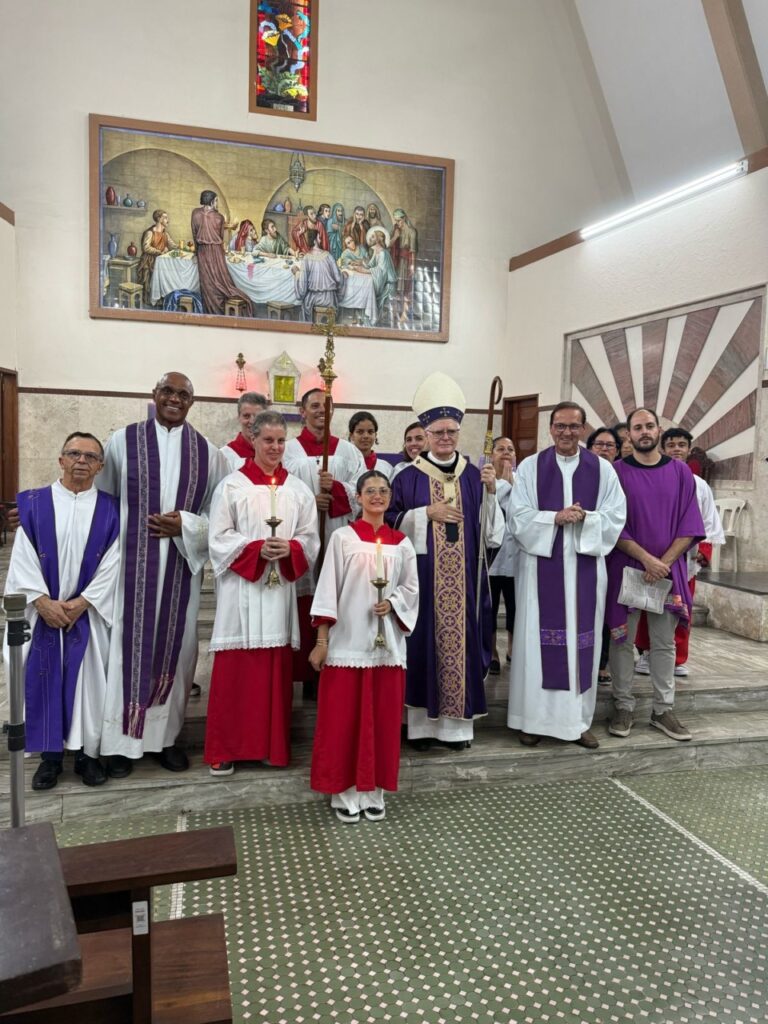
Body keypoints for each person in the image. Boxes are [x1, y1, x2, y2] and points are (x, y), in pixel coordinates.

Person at [96, 372, 230, 776]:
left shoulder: (208, 453)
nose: (174, 399)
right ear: (154, 395)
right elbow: (103, 502)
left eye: (183, 394)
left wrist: (186, 526)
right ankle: (119, 745)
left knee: (179, 650)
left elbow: (219, 516)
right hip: (127, 571)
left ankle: (165, 740)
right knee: (124, 651)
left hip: (179, 570)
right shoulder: (122, 442)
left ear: (193, 402)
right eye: (167, 392)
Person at [387, 372, 503, 750]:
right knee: (422, 648)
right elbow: (389, 525)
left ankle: (456, 730)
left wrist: (490, 492)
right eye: (437, 432)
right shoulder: (406, 477)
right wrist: (425, 514)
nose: (445, 438)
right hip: (422, 582)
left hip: (463, 583)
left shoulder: (474, 476)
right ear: (425, 434)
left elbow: (492, 533)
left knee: (460, 648)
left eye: (451, 431)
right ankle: (420, 728)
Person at [204, 412, 319, 775]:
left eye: (281, 441)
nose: (275, 447)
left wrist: (291, 550)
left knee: (274, 673)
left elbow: (310, 538)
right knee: (234, 673)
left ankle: (273, 747)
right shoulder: (232, 486)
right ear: (252, 440)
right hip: (240, 593)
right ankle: (225, 748)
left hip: (277, 593)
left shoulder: (298, 490)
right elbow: (217, 537)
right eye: (268, 440)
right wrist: (254, 549)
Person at [4, 433, 120, 790]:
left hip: (88, 613)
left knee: (89, 685)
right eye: (73, 453)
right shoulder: (34, 503)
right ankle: (49, 759)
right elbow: (22, 555)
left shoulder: (112, 508)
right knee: (42, 678)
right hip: (43, 614)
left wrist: (84, 602)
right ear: (61, 460)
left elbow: (116, 561)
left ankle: (86, 756)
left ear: (101, 466)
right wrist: (41, 601)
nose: (81, 460)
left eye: (90, 456)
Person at [507, 405, 626, 749]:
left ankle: (576, 722)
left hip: (584, 567)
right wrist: (554, 518)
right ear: (550, 427)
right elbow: (518, 517)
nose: (567, 433)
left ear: (583, 428)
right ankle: (532, 721)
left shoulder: (602, 470)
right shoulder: (531, 467)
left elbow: (616, 516)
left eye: (574, 426)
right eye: (560, 426)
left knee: (581, 646)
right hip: (539, 570)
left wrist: (585, 518)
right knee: (535, 646)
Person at [309, 470, 419, 822]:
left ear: (390, 497)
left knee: (382, 721)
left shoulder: (401, 542)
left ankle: (375, 790)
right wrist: (322, 640)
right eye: (370, 490)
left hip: (387, 647)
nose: (377, 496)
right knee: (344, 721)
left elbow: (412, 589)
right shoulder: (343, 538)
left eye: (383, 490)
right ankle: (343, 792)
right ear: (358, 497)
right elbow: (327, 589)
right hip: (347, 644)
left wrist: (395, 603)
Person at [606, 408, 705, 742]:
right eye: (637, 427)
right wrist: (647, 559)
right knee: (622, 642)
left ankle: (664, 709)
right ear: (629, 435)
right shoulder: (615, 473)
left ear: (658, 430)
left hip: (667, 570)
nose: (644, 431)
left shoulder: (680, 472)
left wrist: (662, 562)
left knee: (663, 643)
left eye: (649, 426)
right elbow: (611, 526)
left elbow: (690, 524)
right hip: (628, 567)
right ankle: (622, 706)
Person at [283, 388, 365, 697]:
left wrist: (338, 491)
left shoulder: (347, 451)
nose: (321, 411)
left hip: (336, 535)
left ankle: (332, 671)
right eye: (314, 406)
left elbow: (362, 491)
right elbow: (279, 491)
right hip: (303, 537)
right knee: (305, 600)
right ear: (302, 411)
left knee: (335, 597)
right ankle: (303, 672)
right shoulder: (289, 450)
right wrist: (309, 501)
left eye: (326, 406)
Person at [634, 426, 724, 678]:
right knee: (648, 604)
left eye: (681, 445)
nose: (676, 449)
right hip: (654, 555)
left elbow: (708, 521)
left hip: (685, 559)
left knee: (679, 607)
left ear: (688, 450)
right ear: (663, 447)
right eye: (671, 444)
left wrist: (703, 550)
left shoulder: (700, 485)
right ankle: (646, 652)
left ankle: (678, 657)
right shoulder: (655, 476)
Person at [585, 426, 622, 684]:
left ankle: (603, 662)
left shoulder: (620, 476)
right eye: (599, 444)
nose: (604, 449)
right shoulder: (580, 474)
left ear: (618, 451)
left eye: (610, 446)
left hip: (617, 552)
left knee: (610, 609)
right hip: (586, 549)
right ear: (589, 448)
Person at [191, 190, 253, 316]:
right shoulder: (219, 217)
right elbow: (220, 236)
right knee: (220, 280)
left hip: (202, 251)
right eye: (216, 200)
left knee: (207, 282)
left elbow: (194, 233)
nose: (217, 203)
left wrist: (197, 251)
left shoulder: (195, 213)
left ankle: (210, 312)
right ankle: (219, 311)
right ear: (212, 201)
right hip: (216, 251)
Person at [487, 436, 517, 675]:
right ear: (491, 454)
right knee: (490, 607)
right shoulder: (485, 481)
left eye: (510, 449)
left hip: (516, 557)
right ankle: (492, 652)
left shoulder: (523, 481)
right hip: (490, 559)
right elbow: (491, 512)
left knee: (516, 608)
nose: (506, 453)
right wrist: (504, 486)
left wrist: (511, 485)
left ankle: (512, 649)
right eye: (501, 449)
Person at [291, 228, 343, 321]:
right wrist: (344, 274)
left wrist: (297, 273)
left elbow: (302, 290)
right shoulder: (328, 256)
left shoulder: (306, 258)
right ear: (315, 240)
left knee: (304, 307)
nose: (321, 239)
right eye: (319, 237)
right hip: (329, 299)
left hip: (313, 300)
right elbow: (338, 279)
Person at [221, 391, 269, 471]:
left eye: (258, 416)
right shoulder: (225, 455)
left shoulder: (273, 453)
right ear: (239, 417)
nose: (252, 421)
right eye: (246, 416)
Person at [137, 209, 176, 306]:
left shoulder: (165, 234)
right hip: (149, 262)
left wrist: (184, 247)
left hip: (161, 262)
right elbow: (146, 247)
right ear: (159, 219)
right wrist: (159, 252)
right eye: (165, 218)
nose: (168, 220)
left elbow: (173, 246)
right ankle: (151, 301)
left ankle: (161, 299)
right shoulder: (150, 233)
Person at [365, 228, 398, 323]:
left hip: (388, 286)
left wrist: (365, 271)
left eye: (373, 236)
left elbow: (380, 271)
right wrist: (359, 264)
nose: (370, 238)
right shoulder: (377, 251)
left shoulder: (383, 253)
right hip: (384, 284)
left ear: (378, 240)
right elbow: (370, 265)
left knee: (371, 296)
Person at [348, 410, 393, 480]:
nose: (366, 436)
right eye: (360, 432)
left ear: (375, 435)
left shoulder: (386, 468)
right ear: (351, 436)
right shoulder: (343, 465)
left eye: (370, 432)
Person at [390, 208, 418, 320]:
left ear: (404, 218)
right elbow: (389, 244)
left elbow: (412, 251)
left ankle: (404, 314)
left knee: (406, 288)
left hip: (406, 262)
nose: (397, 223)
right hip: (396, 262)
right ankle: (396, 313)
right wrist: (396, 236)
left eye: (399, 220)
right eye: (396, 220)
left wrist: (412, 266)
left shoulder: (411, 231)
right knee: (397, 288)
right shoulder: (396, 230)